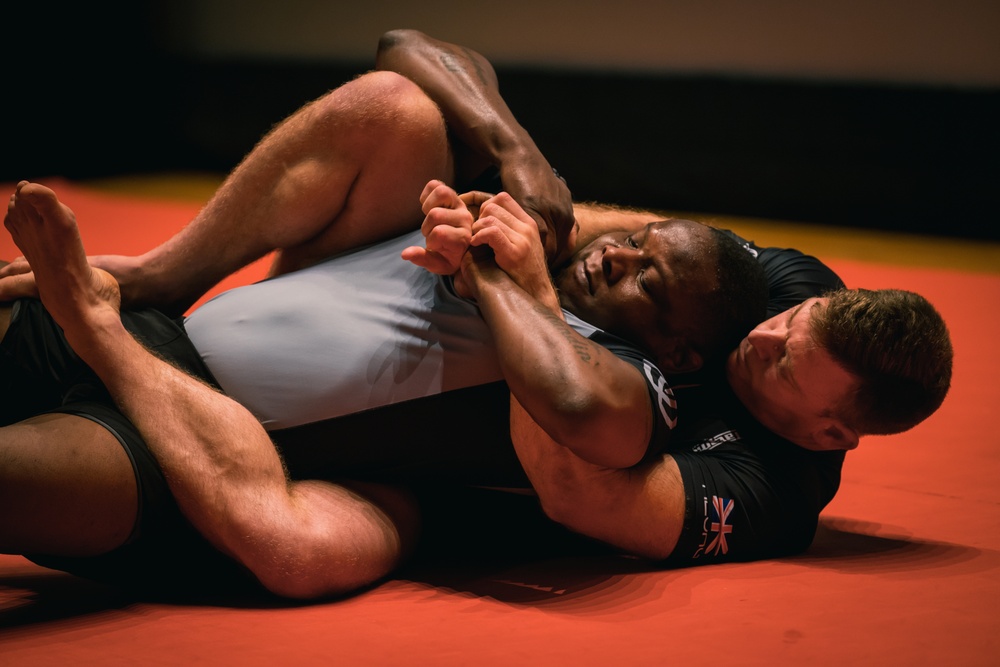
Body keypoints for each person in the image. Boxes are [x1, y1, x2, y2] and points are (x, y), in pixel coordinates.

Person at [0, 31, 952, 598]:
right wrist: (529, 186)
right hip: (210, 345)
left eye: (786, 362)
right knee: (398, 110)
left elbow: (587, 478)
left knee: (301, 544)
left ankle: (104, 332)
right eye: (790, 320)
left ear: (830, 427)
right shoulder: (788, 299)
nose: (771, 333)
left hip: (255, 451)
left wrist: (507, 283)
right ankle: (158, 277)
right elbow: (407, 49)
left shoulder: (752, 480)